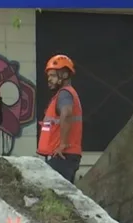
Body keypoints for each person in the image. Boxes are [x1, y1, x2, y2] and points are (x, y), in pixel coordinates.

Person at [37, 54, 83, 184]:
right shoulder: (63, 94)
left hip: (63, 156)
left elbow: (66, 114)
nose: (49, 79)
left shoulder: (64, 94)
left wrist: (62, 145)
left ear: (64, 75)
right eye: (48, 76)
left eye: (52, 75)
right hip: (62, 156)